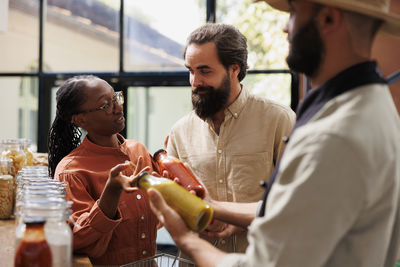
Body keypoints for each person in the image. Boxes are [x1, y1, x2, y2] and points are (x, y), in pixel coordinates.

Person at [148, 0, 400, 266]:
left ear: (328, 18)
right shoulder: (373, 109)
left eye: (292, 12)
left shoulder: (334, 134)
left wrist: (186, 240)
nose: (284, 27)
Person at [165, 23, 296, 253]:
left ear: (234, 69)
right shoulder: (179, 132)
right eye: (190, 71)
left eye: (205, 71)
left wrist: (237, 220)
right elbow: (173, 203)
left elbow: (295, 204)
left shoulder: (280, 121)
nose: (195, 82)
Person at [48, 75, 158, 265]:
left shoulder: (138, 150)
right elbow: (77, 240)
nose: (118, 108)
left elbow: (156, 217)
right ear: (80, 119)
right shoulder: (71, 171)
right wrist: (111, 194)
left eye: (116, 98)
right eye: (106, 105)